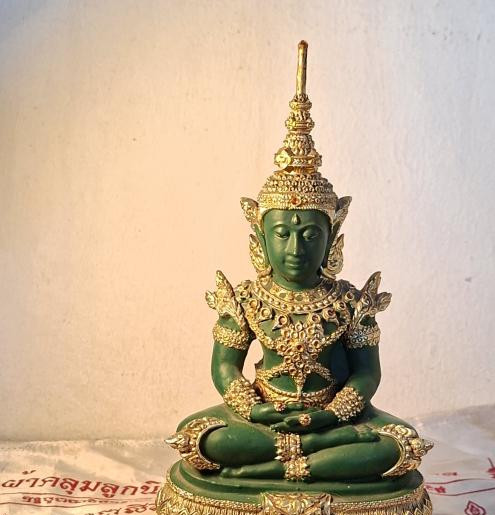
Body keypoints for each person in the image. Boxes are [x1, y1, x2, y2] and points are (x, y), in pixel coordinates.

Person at [167, 42, 431, 486]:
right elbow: (225, 368)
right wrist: (253, 409)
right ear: (260, 239)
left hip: (335, 418)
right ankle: (317, 456)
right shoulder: (245, 299)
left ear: (331, 240)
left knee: (401, 444)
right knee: (199, 438)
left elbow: (367, 374)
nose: (295, 247)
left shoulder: (350, 302)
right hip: (265, 419)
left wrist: (331, 415)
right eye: (282, 234)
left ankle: (277, 466)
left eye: (310, 235)